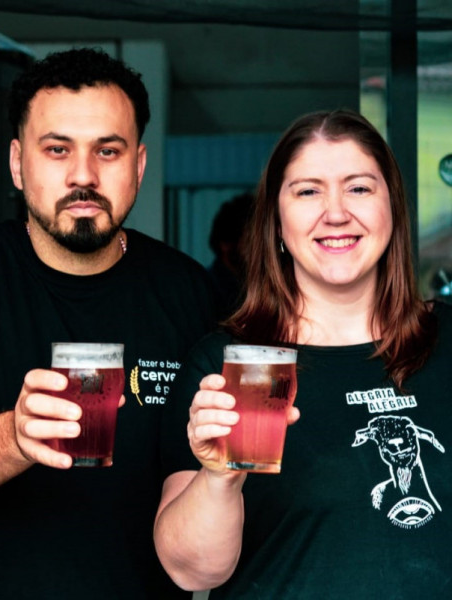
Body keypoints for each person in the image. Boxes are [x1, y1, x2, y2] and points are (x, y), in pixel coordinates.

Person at [0, 48, 216, 599]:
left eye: (107, 151)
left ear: (138, 166)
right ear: (18, 164)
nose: (83, 176)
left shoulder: (189, 292)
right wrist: (17, 435)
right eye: (58, 149)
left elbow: (201, 490)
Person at [154, 109, 452, 597]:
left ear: (392, 209)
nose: (336, 212)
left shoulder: (448, 341)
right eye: (308, 190)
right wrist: (219, 477)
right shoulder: (230, 367)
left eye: (359, 188)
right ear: (275, 219)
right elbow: (194, 573)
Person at [207, 192, 253, 318]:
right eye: (251, 240)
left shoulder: (258, 287)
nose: (260, 249)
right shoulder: (208, 290)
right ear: (226, 243)